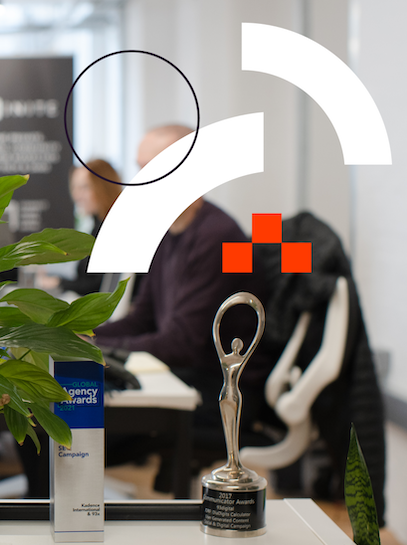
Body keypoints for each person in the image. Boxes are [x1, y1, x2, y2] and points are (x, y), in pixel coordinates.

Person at [91, 124, 280, 486]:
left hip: (218, 390)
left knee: (70, 417)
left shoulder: (219, 237)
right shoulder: (167, 233)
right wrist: (82, 335)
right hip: (183, 375)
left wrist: (98, 347)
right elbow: (143, 318)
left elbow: (182, 344)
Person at [38, 159, 123, 296]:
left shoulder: (114, 231)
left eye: (85, 187)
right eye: (74, 188)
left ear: (104, 187)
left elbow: (98, 286)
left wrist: (59, 282)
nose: (76, 195)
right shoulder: (98, 227)